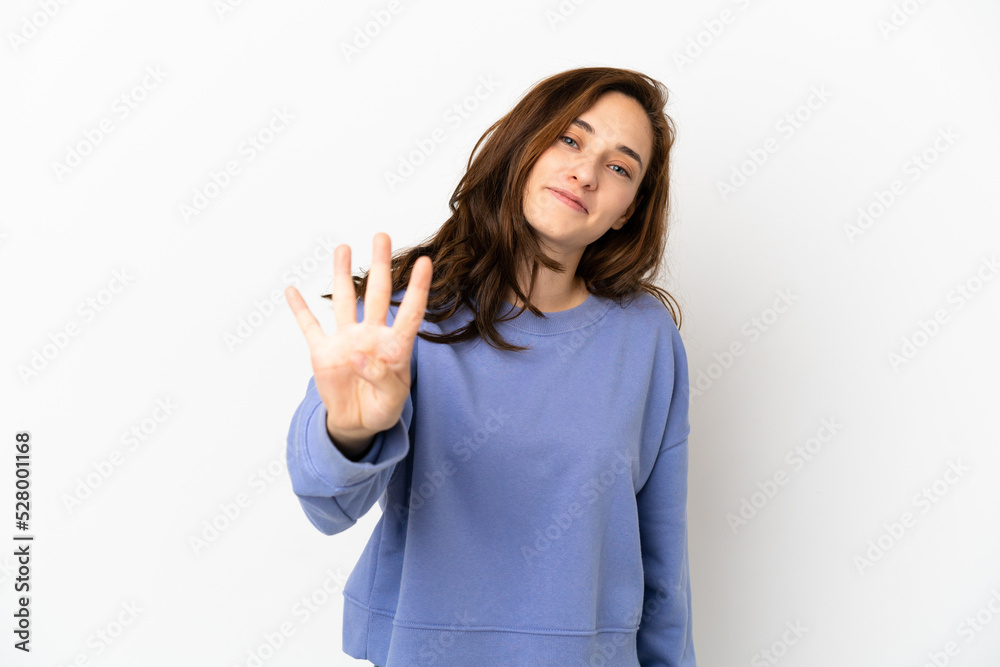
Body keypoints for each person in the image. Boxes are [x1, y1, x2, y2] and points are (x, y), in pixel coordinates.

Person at [284, 66, 695, 666]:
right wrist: (350, 431)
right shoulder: (406, 321)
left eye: (619, 168)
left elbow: (664, 562)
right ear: (523, 146)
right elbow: (327, 503)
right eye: (570, 139)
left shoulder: (645, 338)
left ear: (626, 211)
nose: (585, 173)